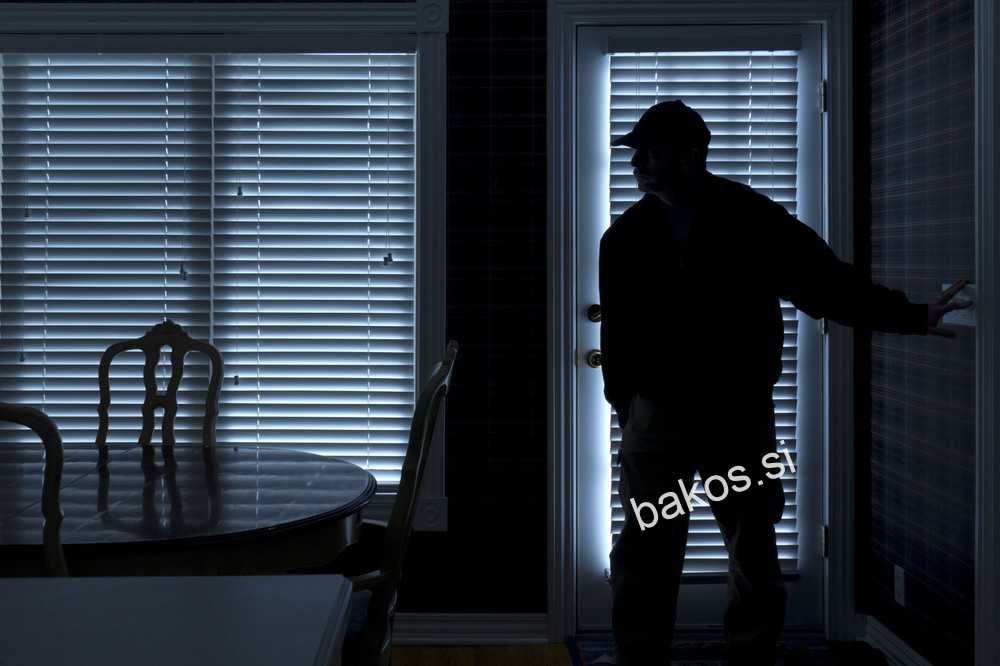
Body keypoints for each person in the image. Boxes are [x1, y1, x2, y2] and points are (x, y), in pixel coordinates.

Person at [599, 100, 973, 666]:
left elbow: (825, 283)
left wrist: (912, 315)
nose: (636, 164)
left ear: (690, 155)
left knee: (752, 542)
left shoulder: (752, 218)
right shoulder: (624, 238)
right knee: (646, 546)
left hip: (739, 415)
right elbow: (620, 335)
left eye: (649, 152)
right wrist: (628, 407)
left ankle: (752, 656)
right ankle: (639, 658)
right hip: (657, 418)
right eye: (635, 153)